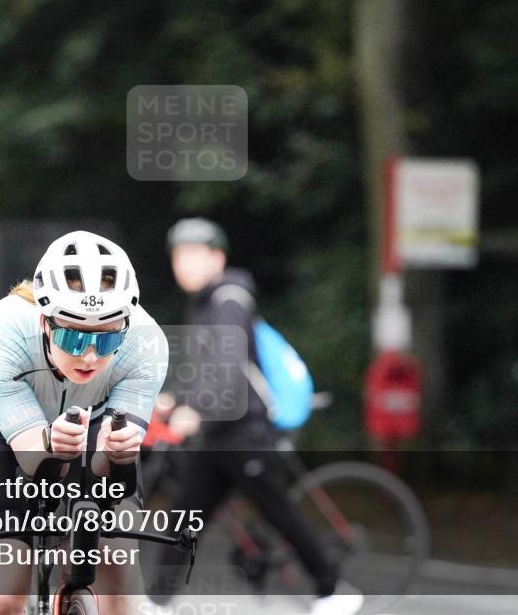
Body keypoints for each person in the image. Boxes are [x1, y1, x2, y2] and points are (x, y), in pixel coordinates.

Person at [155, 217, 363, 615]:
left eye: (194, 254)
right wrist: (175, 400)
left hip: (245, 432)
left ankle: (333, 590)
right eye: (179, 256)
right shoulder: (202, 304)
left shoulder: (229, 300)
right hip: (218, 437)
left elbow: (229, 367)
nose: (184, 264)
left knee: (279, 513)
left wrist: (196, 410)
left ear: (218, 258)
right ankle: (157, 601)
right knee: (183, 518)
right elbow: (203, 369)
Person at [0, 230, 169, 615]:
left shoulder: (146, 343)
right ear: (45, 322)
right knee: (3, 595)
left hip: (93, 421)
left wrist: (115, 452)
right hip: (0, 433)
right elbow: (31, 458)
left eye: (106, 341)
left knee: (118, 567)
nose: (89, 357)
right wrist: (49, 443)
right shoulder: (2, 329)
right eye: (73, 339)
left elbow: (108, 470)